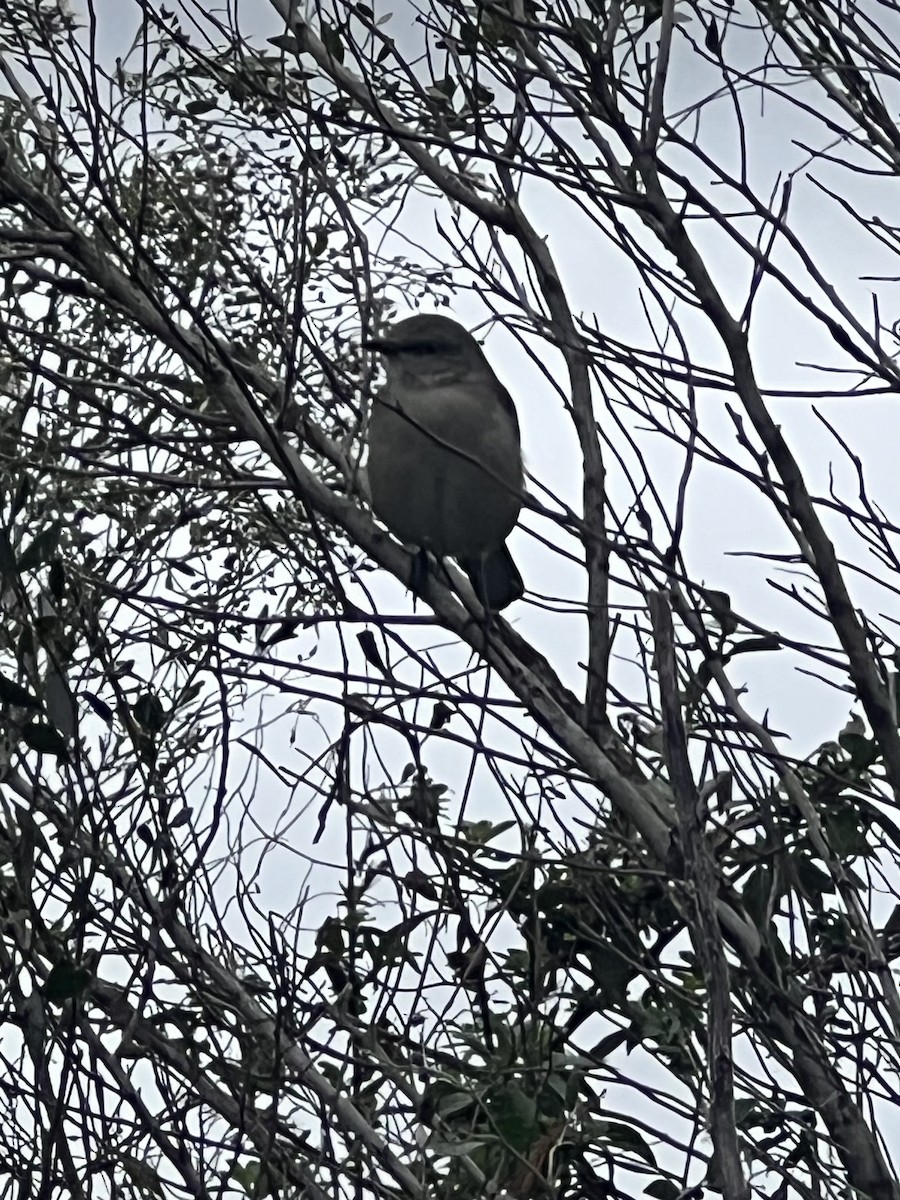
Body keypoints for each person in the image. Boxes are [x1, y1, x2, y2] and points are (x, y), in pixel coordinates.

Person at [365, 314, 524, 610]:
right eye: (394, 348)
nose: (396, 356)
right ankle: (426, 557)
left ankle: (484, 558)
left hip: (486, 529)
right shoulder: (386, 407)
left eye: (424, 350)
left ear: (460, 358)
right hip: (416, 534)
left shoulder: (491, 398)